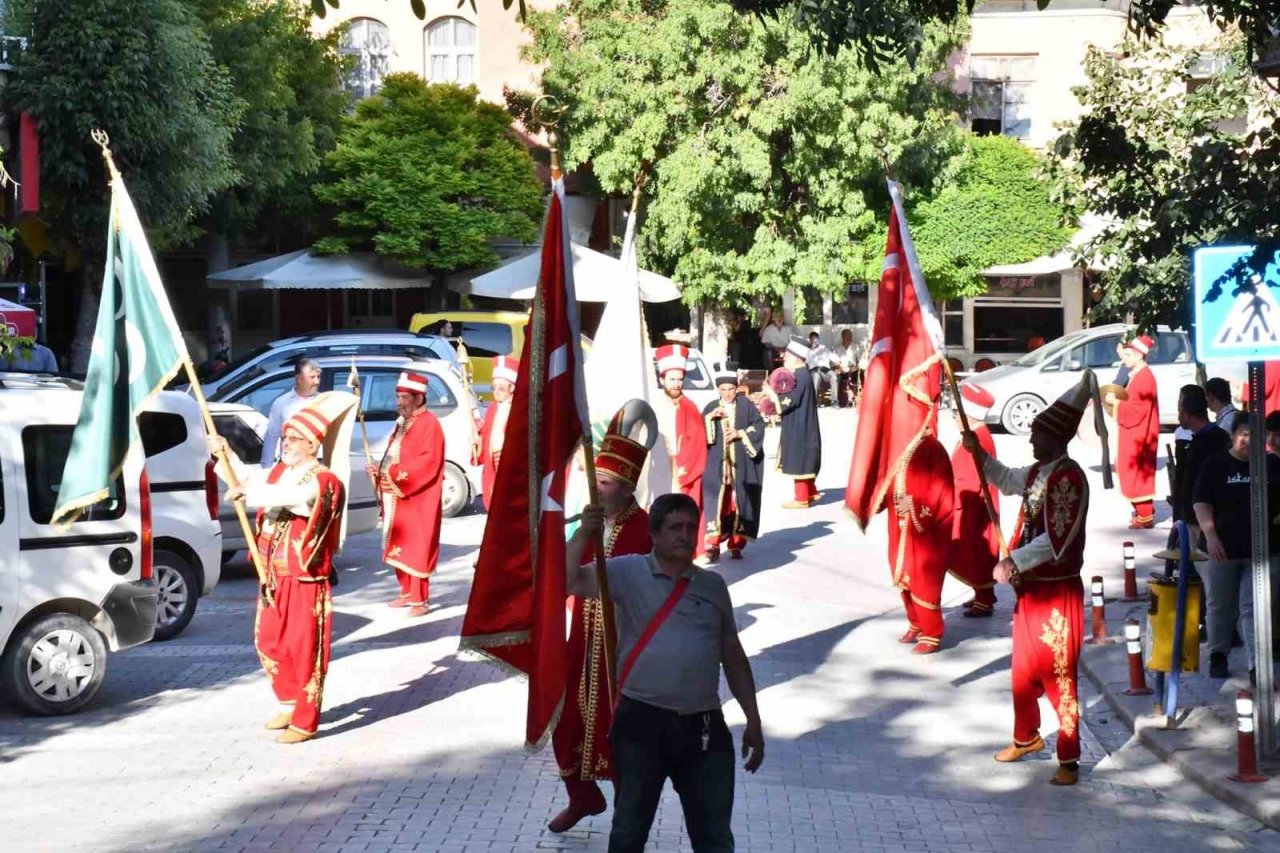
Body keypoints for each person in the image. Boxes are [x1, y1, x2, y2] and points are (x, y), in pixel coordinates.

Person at [567, 493, 764, 853]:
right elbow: (569, 582)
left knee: (714, 838)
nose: (685, 535)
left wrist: (753, 718)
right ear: (654, 534)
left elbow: (733, 656)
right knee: (628, 833)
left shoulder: (713, 586)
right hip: (642, 724)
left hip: (704, 728)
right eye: (675, 527)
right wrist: (583, 534)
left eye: (691, 527)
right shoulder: (627, 571)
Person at [964, 374, 1097, 786]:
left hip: (1056, 592)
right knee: (1022, 670)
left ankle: (1070, 757)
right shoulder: (1042, 469)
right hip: (1032, 592)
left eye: (1037, 433)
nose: (1031, 440)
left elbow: (1055, 543)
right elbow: (1006, 480)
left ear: (1056, 439)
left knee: (1058, 672)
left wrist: (1011, 562)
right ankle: (1026, 737)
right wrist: (980, 457)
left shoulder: (1069, 479)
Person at [206, 391, 358, 744]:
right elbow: (247, 479)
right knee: (269, 640)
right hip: (271, 572)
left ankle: (306, 720)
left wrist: (248, 494)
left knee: (305, 648)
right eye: (285, 437)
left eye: (293, 439)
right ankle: (289, 702)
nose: (285, 443)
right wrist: (224, 452)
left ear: (311, 444)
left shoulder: (324, 480)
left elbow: (292, 499)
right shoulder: (279, 472)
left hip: (304, 577)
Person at [549, 413, 653, 834]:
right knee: (566, 721)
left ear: (627, 488)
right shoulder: (591, 522)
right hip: (582, 641)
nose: (597, 489)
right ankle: (582, 796)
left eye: (606, 483)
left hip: (622, 648)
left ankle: (628, 819)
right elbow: (564, 581)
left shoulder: (645, 528)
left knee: (622, 736)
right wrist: (578, 537)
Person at [1193, 418, 1280, 681]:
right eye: (1243, 434)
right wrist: (1210, 535)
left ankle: (1256, 665)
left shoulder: (1271, 465)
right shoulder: (1215, 464)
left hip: (1262, 551)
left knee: (1252, 607)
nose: (1248, 441)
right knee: (1220, 605)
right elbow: (1201, 503)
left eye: (1255, 436)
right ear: (1232, 436)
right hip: (1223, 549)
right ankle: (1218, 654)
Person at [366, 371, 446, 617]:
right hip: (397, 495)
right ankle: (406, 591)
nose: (399, 402)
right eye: (398, 397)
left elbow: (427, 463)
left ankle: (420, 599)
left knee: (417, 545)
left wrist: (391, 473)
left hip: (417, 496)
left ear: (418, 397)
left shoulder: (429, 424)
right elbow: (395, 454)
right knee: (397, 543)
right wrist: (379, 469)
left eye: (404, 397)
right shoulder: (403, 423)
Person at [888, 422, 954, 654]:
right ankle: (915, 622)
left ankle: (932, 631)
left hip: (925, 529)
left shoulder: (933, 448)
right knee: (902, 574)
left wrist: (913, 506)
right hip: (900, 525)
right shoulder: (900, 445)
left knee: (923, 578)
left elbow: (941, 491)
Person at [702, 370, 766, 562]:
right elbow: (699, 433)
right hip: (718, 466)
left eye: (731, 389)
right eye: (723, 389)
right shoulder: (711, 407)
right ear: (718, 389)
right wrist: (709, 419)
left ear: (736, 388)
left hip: (741, 464)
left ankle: (736, 543)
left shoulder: (746, 406)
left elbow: (759, 426)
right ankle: (713, 543)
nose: (727, 393)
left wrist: (740, 434)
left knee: (740, 500)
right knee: (717, 501)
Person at [654, 344, 708, 552]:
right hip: (657, 471)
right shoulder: (654, 404)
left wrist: (680, 474)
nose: (676, 383)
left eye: (680, 379)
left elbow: (696, 447)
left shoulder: (690, 408)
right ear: (662, 379)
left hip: (680, 475)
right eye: (672, 379)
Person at [950, 402, 1000, 618]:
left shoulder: (975, 439)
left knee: (976, 552)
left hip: (972, 505)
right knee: (975, 552)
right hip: (976, 502)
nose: (954, 417)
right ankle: (981, 593)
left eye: (956, 413)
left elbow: (968, 479)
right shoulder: (977, 434)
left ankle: (984, 599)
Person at [1106, 334, 1158, 529]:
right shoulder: (1139, 375)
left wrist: (1115, 402)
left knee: (1135, 472)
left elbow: (1137, 410)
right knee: (1129, 470)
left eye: (1128, 355)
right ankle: (1143, 512)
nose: (1124, 358)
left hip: (1139, 433)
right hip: (1134, 432)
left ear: (1138, 355)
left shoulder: (1145, 378)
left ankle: (1145, 517)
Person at [770, 337, 822, 508]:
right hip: (803, 422)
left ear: (796, 357)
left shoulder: (800, 375)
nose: (784, 356)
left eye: (788, 354)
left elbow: (789, 401)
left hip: (800, 425)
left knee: (799, 457)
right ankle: (811, 492)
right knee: (804, 456)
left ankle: (801, 498)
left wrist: (772, 397)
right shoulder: (802, 373)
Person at [476, 355, 518, 510]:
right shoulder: (492, 408)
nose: (496, 392)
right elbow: (485, 436)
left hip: (511, 470)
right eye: (494, 387)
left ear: (512, 388)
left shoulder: (519, 409)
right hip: (492, 468)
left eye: (501, 388)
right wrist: (477, 439)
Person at [262, 359, 321, 468]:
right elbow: (271, 437)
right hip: (290, 465)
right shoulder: (282, 403)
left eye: (318, 377)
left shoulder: (323, 401)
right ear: (299, 379)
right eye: (312, 377)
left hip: (317, 465)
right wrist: (267, 468)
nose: (317, 382)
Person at [805, 331, 834, 405]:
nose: (814, 341)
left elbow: (835, 358)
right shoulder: (808, 352)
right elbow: (806, 363)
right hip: (814, 371)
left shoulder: (824, 349)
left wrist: (839, 367)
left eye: (816, 339)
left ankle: (835, 402)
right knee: (816, 376)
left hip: (825, 370)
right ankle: (814, 403)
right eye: (812, 339)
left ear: (818, 339)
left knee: (834, 376)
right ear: (810, 341)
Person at [832, 328, 858, 408]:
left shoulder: (855, 347)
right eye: (847, 335)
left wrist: (857, 366)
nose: (849, 337)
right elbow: (834, 362)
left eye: (850, 335)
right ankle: (838, 400)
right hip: (841, 370)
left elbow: (860, 360)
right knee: (835, 376)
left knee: (854, 376)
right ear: (843, 337)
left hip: (853, 370)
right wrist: (837, 367)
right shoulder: (837, 348)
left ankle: (851, 398)